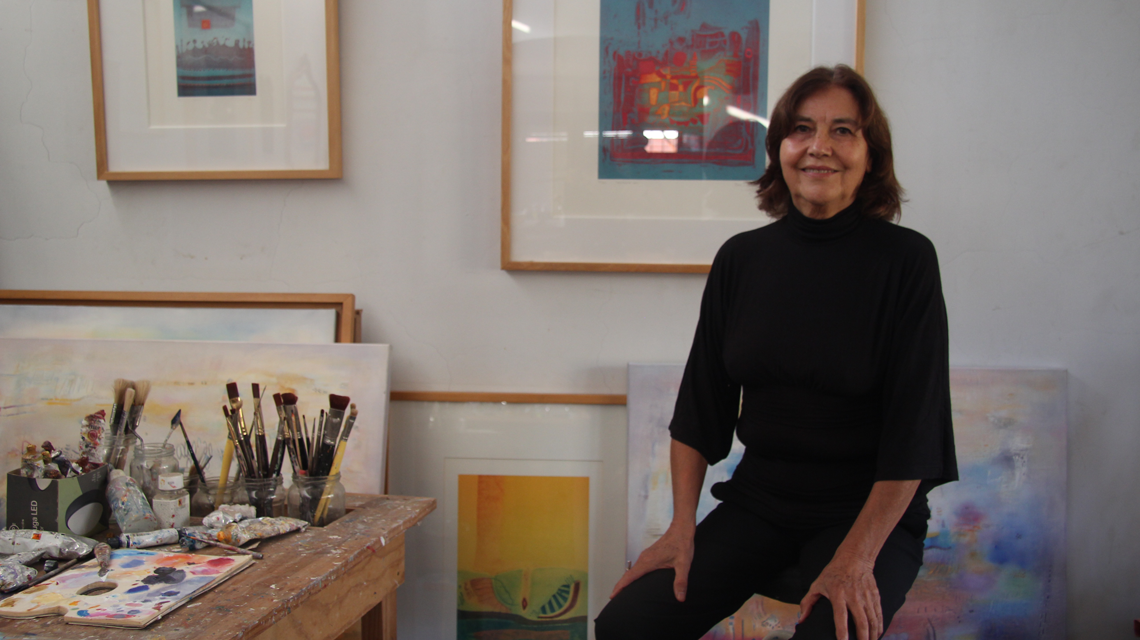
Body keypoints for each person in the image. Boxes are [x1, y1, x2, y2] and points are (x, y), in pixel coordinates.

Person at [595, 65, 957, 640]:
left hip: (865, 514)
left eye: (843, 130)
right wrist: (681, 527)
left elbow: (917, 432)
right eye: (801, 129)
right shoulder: (742, 258)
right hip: (760, 503)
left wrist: (855, 559)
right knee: (627, 625)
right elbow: (701, 408)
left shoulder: (906, 261)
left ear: (871, 155)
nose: (819, 146)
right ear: (780, 149)